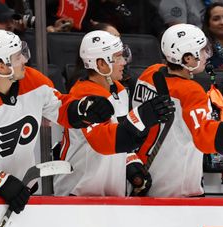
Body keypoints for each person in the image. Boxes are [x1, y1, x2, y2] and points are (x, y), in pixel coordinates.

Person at [0, 29, 114, 211]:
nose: (25, 60)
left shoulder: (33, 80)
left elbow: (61, 109)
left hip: (20, 190)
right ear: (2, 66)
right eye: (18, 56)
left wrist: (83, 109)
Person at [131, 23, 223, 197]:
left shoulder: (149, 73)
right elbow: (208, 142)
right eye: (201, 50)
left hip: (143, 179)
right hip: (175, 190)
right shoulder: (191, 92)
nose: (207, 55)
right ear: (187, 59)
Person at [53, 30, 174, 196]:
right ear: (101, 64)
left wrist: (131, 164)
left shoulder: (119, 90)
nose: (124, 62)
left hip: (110, 193)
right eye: (118, 57)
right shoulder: (86, 98)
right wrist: (143, 116)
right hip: (78, 194)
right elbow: (105, 141)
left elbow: (120, 135)